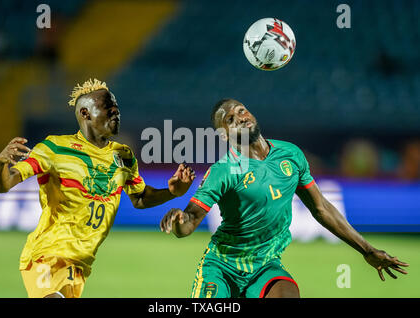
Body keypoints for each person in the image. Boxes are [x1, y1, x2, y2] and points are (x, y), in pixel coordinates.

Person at [160, 98, 409, 298]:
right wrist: (179, 219)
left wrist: (367, 250)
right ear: (224, 135)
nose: (240, 117)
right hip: (222, 268)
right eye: (230, 119)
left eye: (242, 110)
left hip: (266, 266)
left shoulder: (290, 154)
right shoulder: (224, 170)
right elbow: (189, 222)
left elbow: (321, 208)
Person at [0, 79, 195, 298]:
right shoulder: (54, 148)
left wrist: (174, 192)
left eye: (116, 109)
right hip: (47, 255)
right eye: (108, 109)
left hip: (80, 264)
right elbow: (5, 184)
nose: (115, 113)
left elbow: (140, 198)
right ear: (85, 113)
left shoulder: (123, 155)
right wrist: (2, 164)